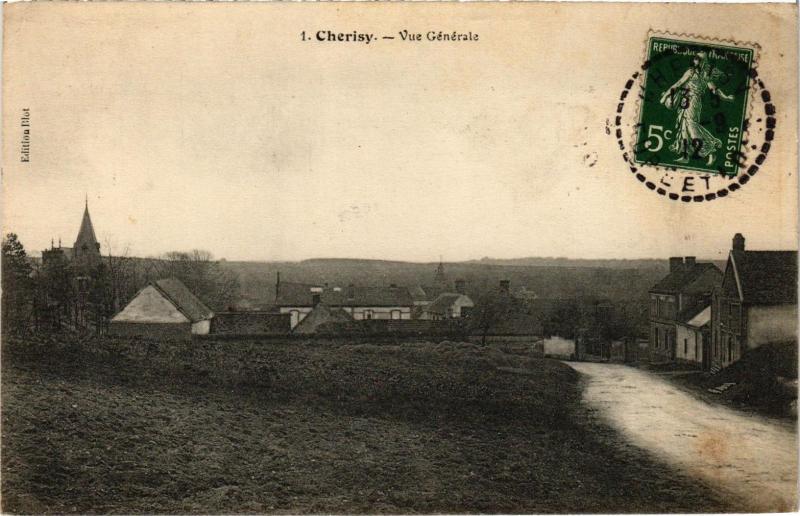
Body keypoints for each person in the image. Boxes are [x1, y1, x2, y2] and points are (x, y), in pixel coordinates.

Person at [660, 52, 734, 165]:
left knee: (691, 127)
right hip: (685, 100)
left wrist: (726, 98)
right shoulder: (692, 72)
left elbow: (714, 89)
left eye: (698, 59)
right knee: (683, 127)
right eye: (695, 58)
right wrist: (666, 95)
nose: (695, 61)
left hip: (693, 101)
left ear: (703, 61)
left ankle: (710, 150)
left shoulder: (705, 75)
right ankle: (685, 155)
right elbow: (678, 84)